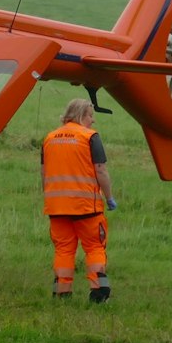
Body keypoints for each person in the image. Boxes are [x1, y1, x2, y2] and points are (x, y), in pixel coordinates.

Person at [41, 98, 114, 301]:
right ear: (81, 115)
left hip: (57, 207)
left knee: (63, 249)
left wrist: (49, 197)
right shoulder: (90, 137)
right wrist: (109, 197)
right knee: (95, 247)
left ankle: (62, 292)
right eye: (91, 116)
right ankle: (99, 293)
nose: (93, 120)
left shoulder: (49, 138)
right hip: (86, 207)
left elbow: (44, 172)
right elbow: (101, 170)